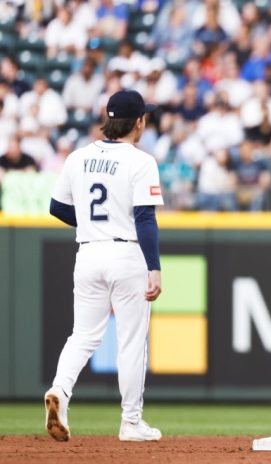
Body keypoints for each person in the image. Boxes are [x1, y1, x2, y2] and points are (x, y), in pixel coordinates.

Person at [44, 89, 164, 442]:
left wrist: (90, 223)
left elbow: (57, 207)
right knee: (131, 342)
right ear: (138, 122)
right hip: (126, 254)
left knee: (83, 335)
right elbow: (145, 218)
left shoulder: (78, 157)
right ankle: (131, 422)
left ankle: (60, 390)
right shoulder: (141, 161)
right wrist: (154, 267)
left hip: (88, 253)